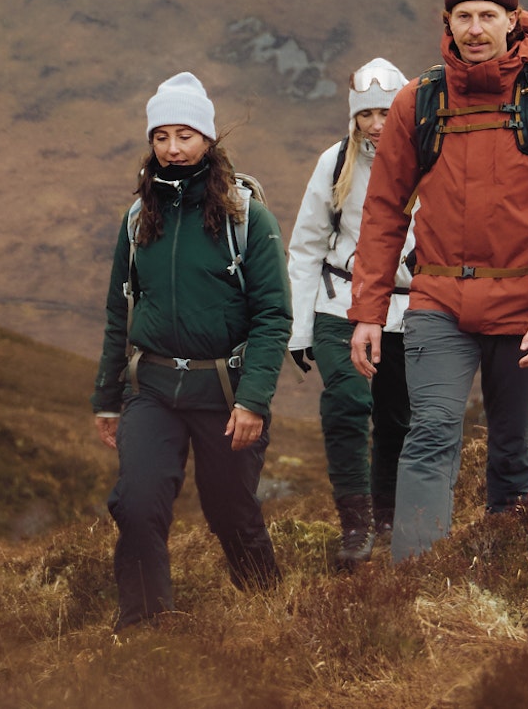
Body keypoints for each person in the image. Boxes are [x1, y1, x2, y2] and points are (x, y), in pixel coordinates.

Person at [348, 0, 528, 564]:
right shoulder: (420, 102)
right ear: (448, 23)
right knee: (430, 435)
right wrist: (368, 311)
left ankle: (507, 575)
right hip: (437, 301)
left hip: (525, 306)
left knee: (514, 452)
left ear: (512, 20)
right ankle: (415, 586)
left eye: (488, 15)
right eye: (462, 16)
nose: (475, 28)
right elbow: (383, 212)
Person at [91, 71, 291, 632]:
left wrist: (252, 400)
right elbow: (118, 313)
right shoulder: (137, 221)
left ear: (207, 139)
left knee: (230, 512)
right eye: (161, 137)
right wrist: (107, 398)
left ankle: (269, 609)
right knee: (136, 505)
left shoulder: (247, 218)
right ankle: (145, 628)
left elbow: (274, 315)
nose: (173, 149)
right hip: (151, 390)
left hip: (225, 394)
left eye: (185, 135)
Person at [287, 58, 413, 568]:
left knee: (396, 416)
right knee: (345, 406)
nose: (377, 124)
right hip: (339, 303)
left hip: (407, 308)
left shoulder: (433, 160)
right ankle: (355, 524)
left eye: (386, 112)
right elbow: (305, 246)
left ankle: (388, 515)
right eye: (367, 114)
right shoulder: (335, 162)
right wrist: (299, 331)